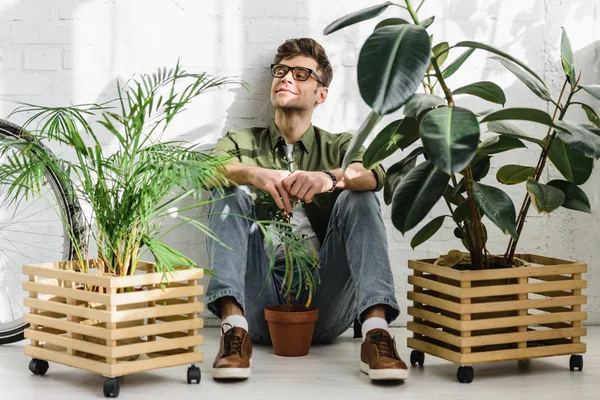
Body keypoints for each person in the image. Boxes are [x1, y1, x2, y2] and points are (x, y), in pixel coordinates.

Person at [206, 37, 407, 381]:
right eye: (281, 71)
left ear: (321, 94)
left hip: (324, 302)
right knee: (227, 192)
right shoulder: (241, 141)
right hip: (258, 300)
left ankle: (376, 332)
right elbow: (206, 171)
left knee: (358, 195)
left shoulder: (341, 145)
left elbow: (374, 174)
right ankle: (232, 331)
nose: (286, 78)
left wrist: (330, 178)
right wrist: (253, 173)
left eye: (301, 74)